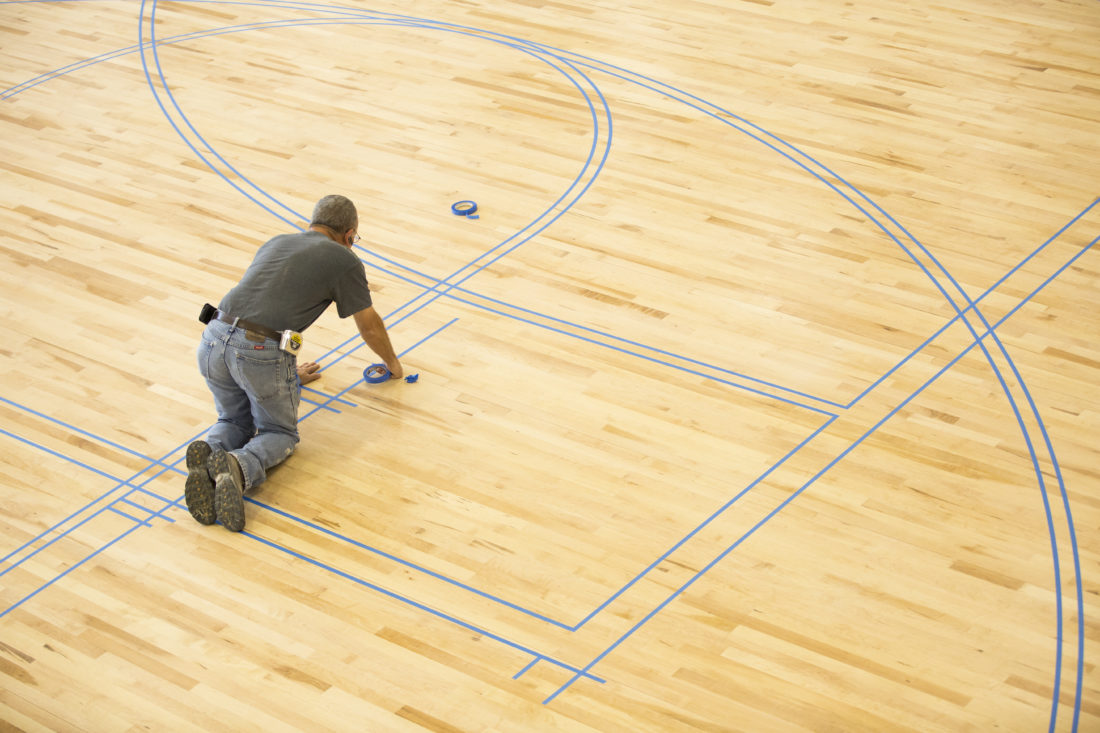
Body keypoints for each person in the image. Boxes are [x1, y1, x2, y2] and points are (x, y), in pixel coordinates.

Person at [185, 194, 402, 531]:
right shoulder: (344, 260)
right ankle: (239, 468)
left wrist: (285, 375)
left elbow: (259, 304)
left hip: (213, 338)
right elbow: (368, 323)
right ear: (349, 236)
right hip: (259, 351)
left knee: (234, 419)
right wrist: (392, 364)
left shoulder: (277, 242)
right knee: (280, 433)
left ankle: (211, 451)